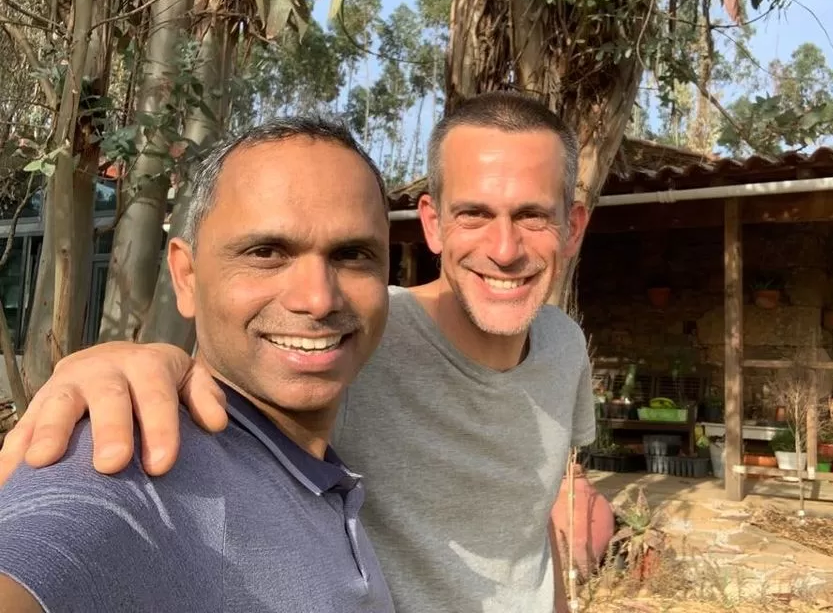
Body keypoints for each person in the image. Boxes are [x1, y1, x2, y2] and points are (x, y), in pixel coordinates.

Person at [1, 91, 596, 613]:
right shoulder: (366, 339)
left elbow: (532, 512)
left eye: (533, 217)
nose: (317, 299)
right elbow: (61, 535)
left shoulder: (564, 346)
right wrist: (128, 359)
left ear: (572, 226)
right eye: (266, 253)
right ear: (433, 224)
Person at [0, 119, 395, 612]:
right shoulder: (127, 464)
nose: (318, 299)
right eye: (266, 253)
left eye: (353, 254)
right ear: (186, 276)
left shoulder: (318, 470)